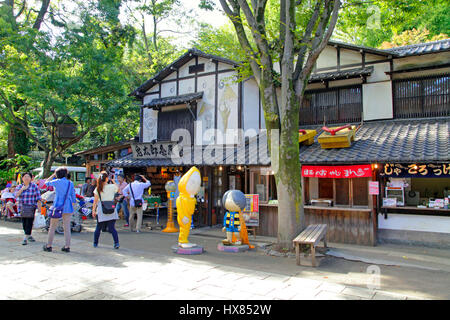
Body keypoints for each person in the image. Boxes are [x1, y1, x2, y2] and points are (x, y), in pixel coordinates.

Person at [43, 167, 76, 253]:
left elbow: (45, 183)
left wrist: (53, 175)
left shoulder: (56, 182)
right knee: (67, 227)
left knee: (52, 226)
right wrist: (72, 203)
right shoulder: (70, 183)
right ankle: (67, 246)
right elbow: (73, 197)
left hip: (57, 206)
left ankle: (49, 245)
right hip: (68, 206)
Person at [92, 171, 120, 249]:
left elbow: (95, 201)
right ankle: (116, 243)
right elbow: (118, 190)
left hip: (101, 208)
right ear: (107, 178)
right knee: (112, 228)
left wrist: (93, 210)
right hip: (111, 207)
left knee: (98, 227)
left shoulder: (97, 188)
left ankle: (95, 243)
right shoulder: (112, 187)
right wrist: (114, 181)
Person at [14, 173, 42, 245]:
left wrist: (39, 209)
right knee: (24, 222)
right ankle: (28, 235)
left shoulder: (34, 186)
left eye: (28, 176)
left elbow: (38, 198)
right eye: (25, 176)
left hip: (31, 207)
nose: (26, 178)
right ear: (22, 178)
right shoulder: (19, 186)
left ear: (31, 178)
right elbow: (16, 195)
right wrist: (22, 189)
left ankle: (25, 238)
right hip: (22, 207)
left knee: (29, 222)